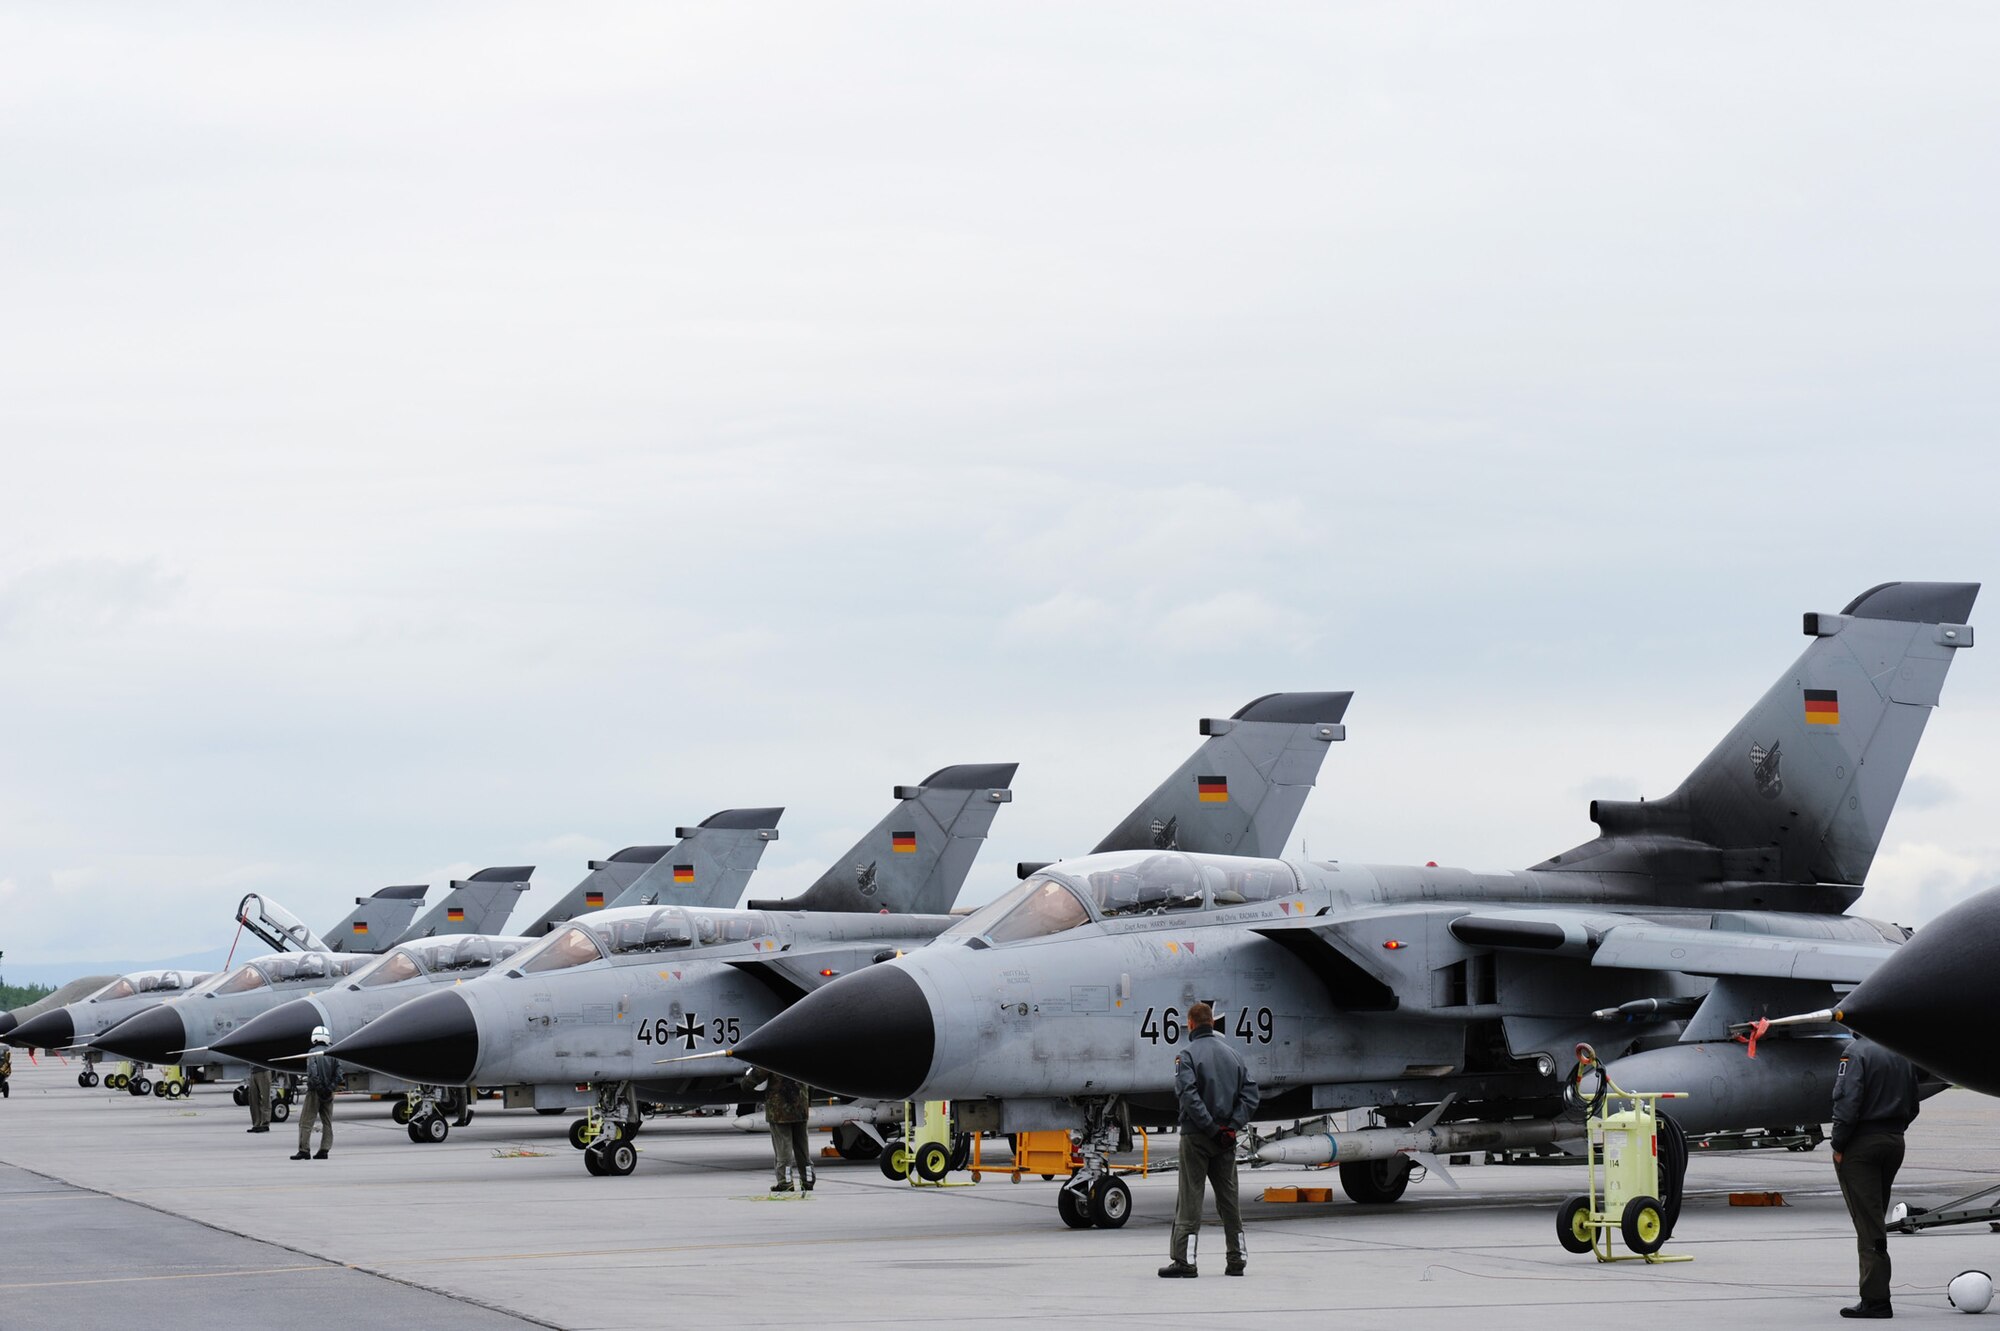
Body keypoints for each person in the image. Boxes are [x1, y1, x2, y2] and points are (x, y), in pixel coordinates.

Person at [1161, 1002, 1259, 1278]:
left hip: (1196, 1137)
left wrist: (1210, 1128)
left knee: (1191, 1198)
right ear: (1213, 1023)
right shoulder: (1233, 1056)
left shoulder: (1187, 1056)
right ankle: (1237, 1260)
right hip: (1226, 1140)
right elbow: (1251, 1094)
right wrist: (1231, 1127)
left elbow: (1188, 1095)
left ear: (1190, 1024)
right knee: (1229, 1200)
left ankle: (1185, 1261)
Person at [1832, 1034, 1921, 1319]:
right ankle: (1875, 1293)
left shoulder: (1855, 1052)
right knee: (1875, 1215)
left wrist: (1838, 1144)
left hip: (1862, 1145)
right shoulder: (1901, 1050)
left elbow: (1848, 1102)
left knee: (1868, 1223)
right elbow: (1914, 1103)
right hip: (1895, 1140)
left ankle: (1876, 1298)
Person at [741, 1066, 813, 1192]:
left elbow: (758, 1074)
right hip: (800, 1106)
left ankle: (786, 1182)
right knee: (802, 1148)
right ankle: (808, 1180)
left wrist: (745, 1084)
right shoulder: (803, 1053)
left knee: (783, 1147)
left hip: (779, 1109)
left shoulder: (773, 1054)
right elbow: (812, 1083)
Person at [291, 1026, 339, 1161]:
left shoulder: (312, 1053)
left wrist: (319, 1088)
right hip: (329, 1093)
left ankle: (304, 1150)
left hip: (314, 1093)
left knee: (305, 1122)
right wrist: (329, 1088)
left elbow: (312, 1073)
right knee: (327, 1122)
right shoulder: (332, 1053)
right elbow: (339, 1074)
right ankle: (324, 1150)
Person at [245, 1065, 272, 1134]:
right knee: (253, 1099)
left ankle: (265, 1123)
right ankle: (256, 1124)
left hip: (263, 1071)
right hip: (253, 1072)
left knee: (265, 1098)